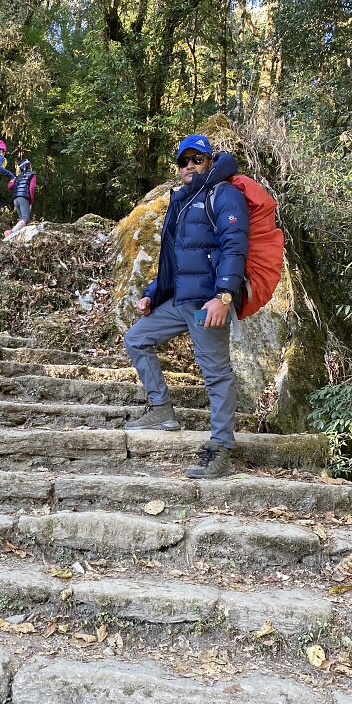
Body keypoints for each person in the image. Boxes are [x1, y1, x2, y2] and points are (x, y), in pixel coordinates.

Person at [123, 134, 249, 479]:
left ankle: (220, 447)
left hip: (206, 305)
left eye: (198, 159)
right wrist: (152, 293)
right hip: (179, 302)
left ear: (210, 161)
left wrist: (224, 296)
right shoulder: (182, 200)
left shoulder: (223, 194)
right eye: (184, 161)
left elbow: (235, 246)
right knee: (136, 338)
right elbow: (174, 260)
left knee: (216, 373)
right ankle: (161, 409)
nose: (190, 166)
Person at [5, 159, 36, 237]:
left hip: (15, 199)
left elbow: (9, 186)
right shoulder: (32, 175)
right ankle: (11, 232)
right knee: (26, 219)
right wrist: (31, 201)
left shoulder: (17, 177)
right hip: (23, 198)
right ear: (29, 166)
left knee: (23, 219)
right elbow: (31, 189)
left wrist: (12, 180)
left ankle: (20, 237)